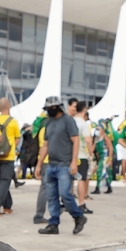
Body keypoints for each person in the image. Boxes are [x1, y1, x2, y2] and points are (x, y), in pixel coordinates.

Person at [35, 94, 87, 236]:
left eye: (51, 108)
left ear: (58, 107)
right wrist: (39, 165)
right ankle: (53, 224)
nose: (49, 110)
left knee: (65, 194)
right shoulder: (49, 122)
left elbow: (76, 140)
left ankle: (78, 216)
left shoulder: (68, 120)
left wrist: (74, 162)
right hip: (51, 164)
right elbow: (45, 145)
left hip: (64, 165)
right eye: (47, 108)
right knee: (51, 196)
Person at [0, 97, 19, 214]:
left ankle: (7, 206)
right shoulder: (12, 121)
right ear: (9, 107)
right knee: (5, 181)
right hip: (8, 156)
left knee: (3, 180)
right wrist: (10, 147)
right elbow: (17, 139)